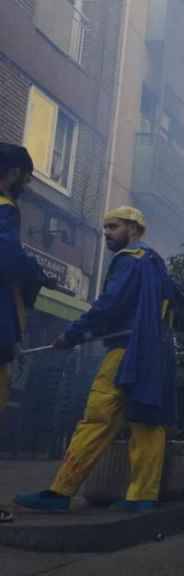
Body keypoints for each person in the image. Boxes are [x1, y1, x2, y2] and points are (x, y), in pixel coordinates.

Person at [16, 207, 178, 513]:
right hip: (154, 354)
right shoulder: (156, 264)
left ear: (133, 229)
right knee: (147, 421)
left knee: (97, 417)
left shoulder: (129, 262)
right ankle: (142, 497)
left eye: (113, 227)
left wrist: (72, 335)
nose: (106, 233)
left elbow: (108, 305)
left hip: (126, 351)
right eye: (104, 228)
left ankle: (60, 492)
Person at [0, 144, 50, 523]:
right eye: (27, 175)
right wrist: (35, 272)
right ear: (14, 171)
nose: (28, 183)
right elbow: (7, 257)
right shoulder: (5, 208)